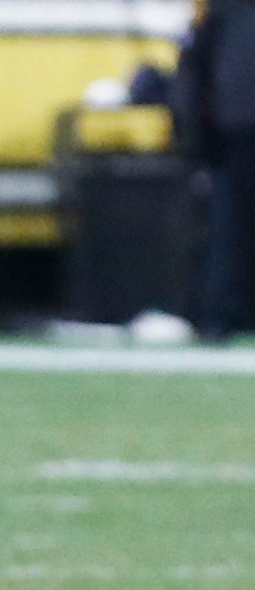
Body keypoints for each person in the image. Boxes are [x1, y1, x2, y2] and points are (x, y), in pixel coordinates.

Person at [172, 0, 255, 343]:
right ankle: (222, 312)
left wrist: (191, 133)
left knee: (227, 221)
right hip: (234, 120)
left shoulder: (220, 7)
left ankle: (219, 315)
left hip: (232, 119)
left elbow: (193, 65)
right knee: (227, 220)